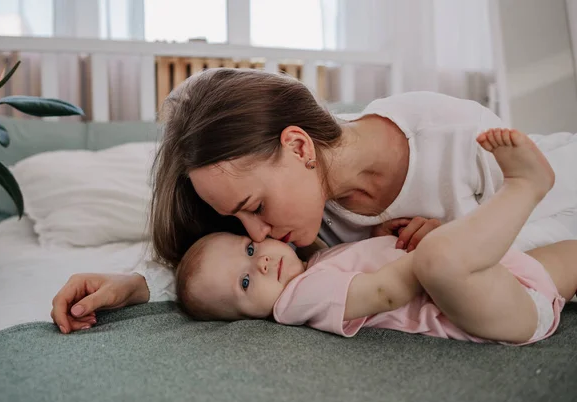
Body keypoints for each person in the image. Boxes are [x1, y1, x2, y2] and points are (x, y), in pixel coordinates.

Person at [50, 69, 577, 334]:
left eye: (253, 207)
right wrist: (136, 285)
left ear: (299, 146)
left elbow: (549, 215)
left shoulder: (452, 133)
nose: (256, 235)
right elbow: (229, 273)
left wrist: (467, 235)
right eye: (237, 220)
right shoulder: (299, 219)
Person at [175, 128, 576, 344]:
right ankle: (524, 186)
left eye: (248, 249)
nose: (260, 261)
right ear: (247, 319)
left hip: (509, 280)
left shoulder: (320, 261)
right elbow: (385, 293)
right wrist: (434, 247)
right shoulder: (296, 302)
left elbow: (369, 265)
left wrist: (387, 239)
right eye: (246, 281)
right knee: (440, 259)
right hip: (485, 314)